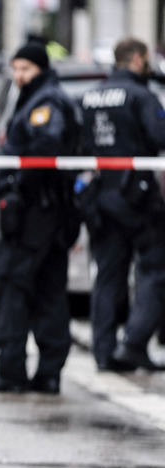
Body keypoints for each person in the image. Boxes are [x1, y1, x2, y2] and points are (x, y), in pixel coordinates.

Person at [0, 43, 81, 394]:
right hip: (48, 212)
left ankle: (12, 370)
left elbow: (45, 147)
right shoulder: (39, 98)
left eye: (26, 69)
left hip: (36, 214)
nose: (19, 76)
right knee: (49, 290)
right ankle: (48, 373)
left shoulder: (46, 102)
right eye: (16, 69)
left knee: (10, 287)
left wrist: (18, 191)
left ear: (41, 69)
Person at [78, 38, 165, 372]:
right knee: (156, 267)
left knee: (108, 274)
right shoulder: (141, 95)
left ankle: (104, 352)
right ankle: (134, 344)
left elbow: (81, 144)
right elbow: (159, 136)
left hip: (101, 194)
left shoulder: (91, 96)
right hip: (137, 197)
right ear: (138, 59)